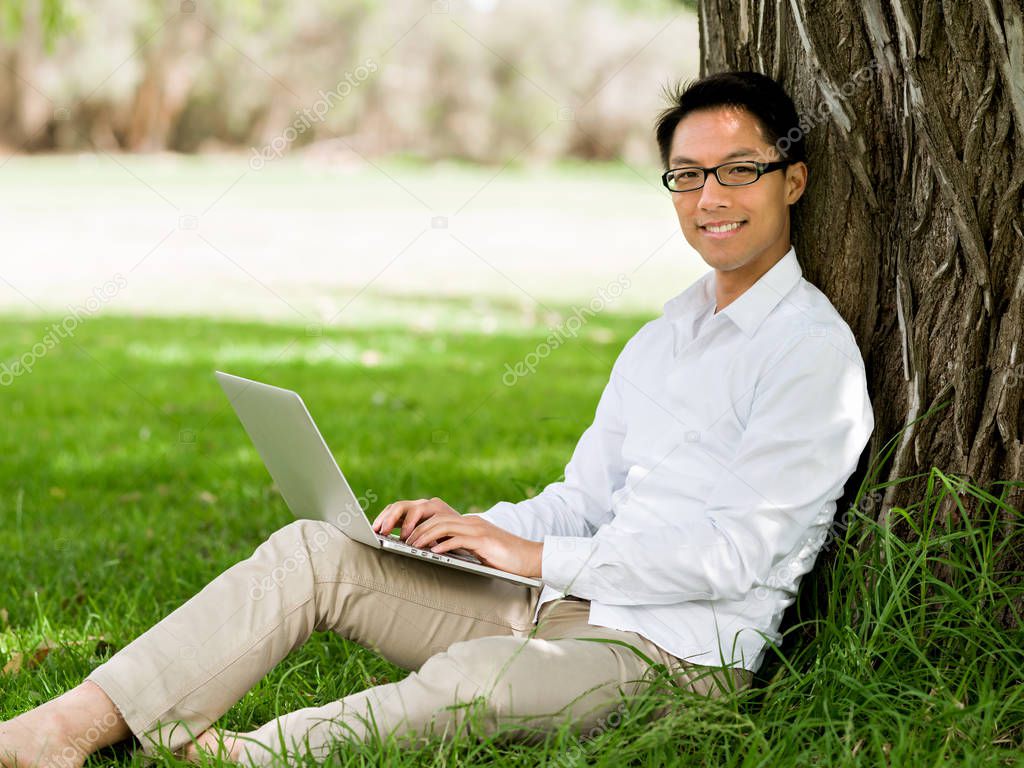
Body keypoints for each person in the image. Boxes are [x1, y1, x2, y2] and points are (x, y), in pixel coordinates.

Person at [0, 70, 874, 767]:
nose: (710, 195)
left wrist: (536, 559)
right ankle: (65, 729)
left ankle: (256, 757)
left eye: (739, 170)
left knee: (484, 679)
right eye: (688, 175)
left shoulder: (810, 356)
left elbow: (734, 559)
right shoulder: (664, 336)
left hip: (681, 660)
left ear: (791, 179)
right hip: (570, 601)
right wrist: (473, 531)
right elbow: (583, 496)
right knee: (320, 550)